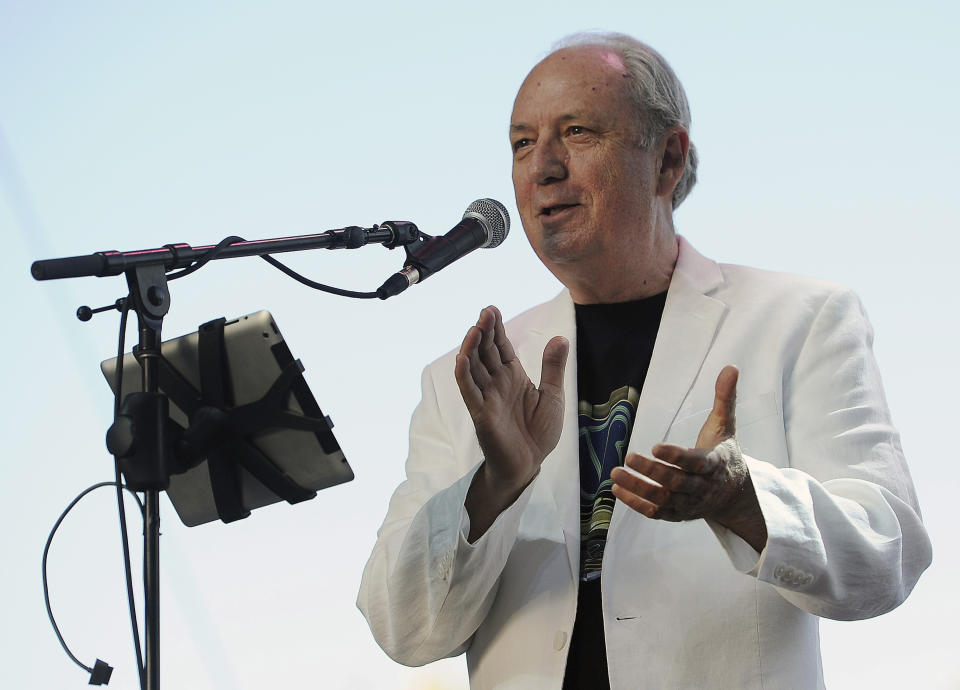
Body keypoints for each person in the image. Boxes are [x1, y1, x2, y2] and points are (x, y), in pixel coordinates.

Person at [357, 32, 932, 689]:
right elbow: (401, 629)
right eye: (521, 143)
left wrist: (744, 498)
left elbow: (887, 555)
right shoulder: (467, 375)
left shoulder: (799, 320)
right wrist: (497, 483)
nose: (542, 167)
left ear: (667, 159)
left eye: (576, 131)